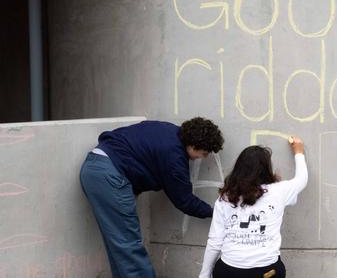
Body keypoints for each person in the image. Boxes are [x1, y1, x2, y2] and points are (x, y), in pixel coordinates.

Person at [79, 117, 224, 278]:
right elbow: (184, 201)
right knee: (129, 246)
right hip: (110, 176)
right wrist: (216, 211)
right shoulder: (174, 156)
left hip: (95, 166)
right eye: (203, 153)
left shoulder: (168, 130)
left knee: (120, 246)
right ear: (194, 144)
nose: (202, 158)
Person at [199, 136, 308, 278]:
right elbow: (302, 179)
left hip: (229, 270)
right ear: (266, 168)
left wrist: (204, 274)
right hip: (266, 271)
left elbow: (215, 241)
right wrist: (298, 152)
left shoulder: (225, 198)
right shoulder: (279, 191)